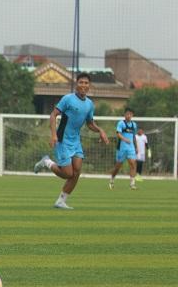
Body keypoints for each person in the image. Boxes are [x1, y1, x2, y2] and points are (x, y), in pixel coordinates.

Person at [34, 73, 109, 209]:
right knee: (68, 173)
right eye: (81, 82)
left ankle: (61, 201)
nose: (83, 85)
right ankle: (47, 162)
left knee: (77, 171)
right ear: (76, 84)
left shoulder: (89, 104)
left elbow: (90, 123)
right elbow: (53, 114)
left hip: (76, 141)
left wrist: (100, 131)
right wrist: (53, 135)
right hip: (62, 139)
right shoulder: (68, 99)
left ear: (89, 85)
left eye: (86, 83)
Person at [109, 108, 138, 190]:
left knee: (133, 164)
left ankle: (132, 184)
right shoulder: (121, 123)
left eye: (130, 114)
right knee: (118, 167)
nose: (128, 116)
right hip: (122, 148)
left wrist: (136, 147)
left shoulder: (134, 125)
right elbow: (118, 134)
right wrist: (125, 139)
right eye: (127, 114)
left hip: (131, 148)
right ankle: (112, 179)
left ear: (132, 115)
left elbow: (134, 136)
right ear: (124, 115)